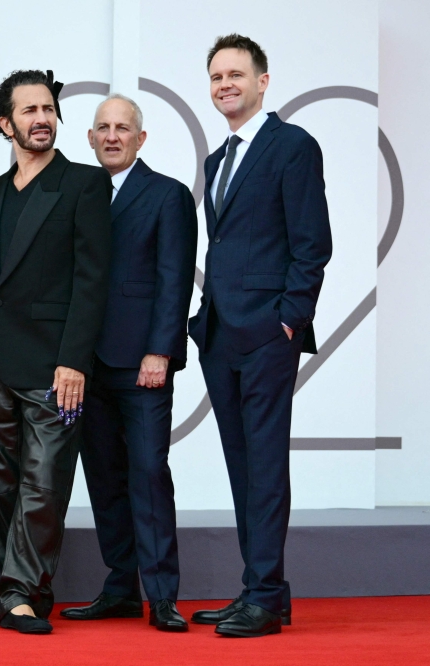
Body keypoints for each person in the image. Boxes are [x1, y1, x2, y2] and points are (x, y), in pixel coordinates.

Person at [187, 34, 332, 638]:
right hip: (221, 335)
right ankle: (264, 589)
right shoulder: (217, 160)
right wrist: (204, 318)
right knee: (243, 468)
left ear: (263, 81)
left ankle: (264, 594)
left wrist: (288, 321)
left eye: (236, 75)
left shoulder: (293, 146)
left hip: (268, 334)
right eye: (217, 75)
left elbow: (312, 244)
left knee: (265, 466)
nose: (225, 84)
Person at [0, 70, 112, 635]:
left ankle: (16, 593)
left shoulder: (84, 184)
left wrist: (74, 358)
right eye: (28, 110)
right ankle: (28, 589)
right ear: (5, 123)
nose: (42, 118)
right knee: (4, 486)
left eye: (49, 108)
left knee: (44, 480)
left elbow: (92, 279)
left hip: (56, 363)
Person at [59, 95, 197, 632]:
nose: (112, 136)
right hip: (86, 366)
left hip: (143, 365)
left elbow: (174, 278)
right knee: (104, 478)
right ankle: (120, 588)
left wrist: (160, 351)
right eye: (103, 128)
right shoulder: (81, 194)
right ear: (90, 139)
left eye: (123, 128)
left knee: (147, 474)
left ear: (141, 139)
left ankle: (162, 594)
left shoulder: (168, 195)